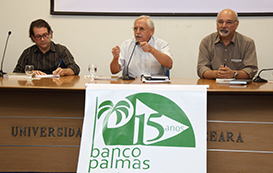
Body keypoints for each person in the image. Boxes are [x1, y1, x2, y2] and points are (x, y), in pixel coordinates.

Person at [197, 9, 258, 79]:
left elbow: (251, 70)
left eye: (228, 22)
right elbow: (201, 68)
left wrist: (234, 74)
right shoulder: (207, 42)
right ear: (216, 24)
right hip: (213, 86)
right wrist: (217, 74)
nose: (223, 26)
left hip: (239, 87)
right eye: (220, 22)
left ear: (236, 24)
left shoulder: (247, 43)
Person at [13, 19, 80, 76]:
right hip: (35, 88)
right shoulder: (28, 53)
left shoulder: (61, 50)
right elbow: (16, 73)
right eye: (38, 36)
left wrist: (64, 71)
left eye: (45, 35)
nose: (42, 39)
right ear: (33, 37)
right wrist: (30, 73)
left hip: (57, 88)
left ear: (50, 33)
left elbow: (75, 69)